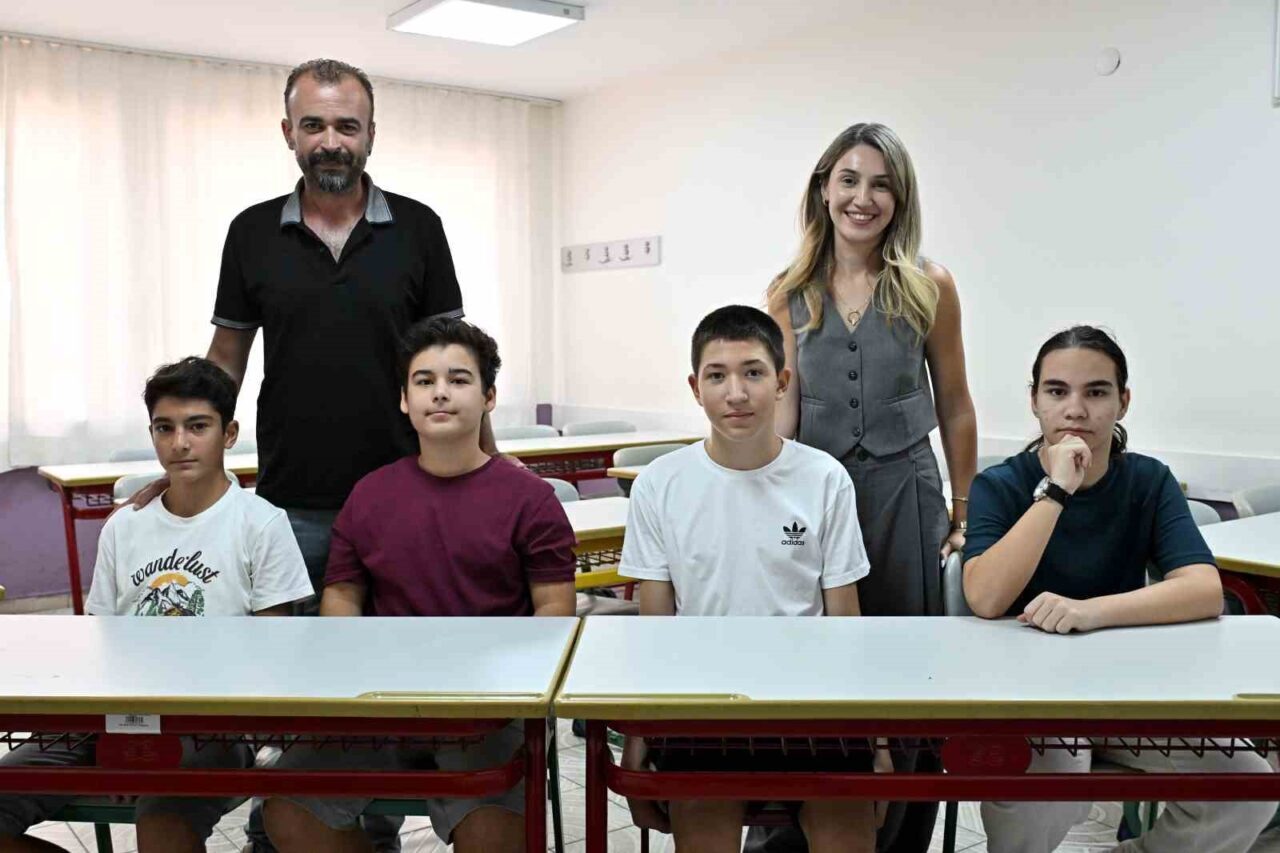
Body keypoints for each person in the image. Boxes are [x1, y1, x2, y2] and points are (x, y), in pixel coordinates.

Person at [261, 317, 575, 853]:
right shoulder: (370, 495)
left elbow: (554, 612)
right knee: (288, 811)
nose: (441, 393)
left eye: (459, 379)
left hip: (489, 711)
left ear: (489, 397)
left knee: (493, 835)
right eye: (424, 381)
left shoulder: (531, 499)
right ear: (405, 400)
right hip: (382, 704)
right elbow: (342, 595)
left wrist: (504, 689)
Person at [963, 325, 1274, 853]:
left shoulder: (1148, 481)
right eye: (1057, 391)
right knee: (1051, 789)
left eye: (1096, 392)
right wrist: (1056, 490)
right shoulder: (1000, 484)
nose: (1075, 410)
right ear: (1035, 401)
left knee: (1247, 786)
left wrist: (1089, 612)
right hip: (1030, 698)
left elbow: (1202, 589)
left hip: (1128, 693)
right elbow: (986, 598)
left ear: (1122, 402)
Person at [758, 122, 977, 852]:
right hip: (818, 502)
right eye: (849, 180)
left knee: (909, 670)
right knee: (824, 661)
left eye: (882, 184)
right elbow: (784, 413)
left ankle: (903, 836)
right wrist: (770, 504)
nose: (863, 197)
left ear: (900, 198)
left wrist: (963, 511)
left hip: (906, 493)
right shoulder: (788, 293)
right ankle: (811, 831)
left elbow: (956, 404)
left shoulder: (929, 285)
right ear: (824, 189)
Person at [0, 357, 312, 853]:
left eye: (197, 426)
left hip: (212, 728)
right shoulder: (125, 526)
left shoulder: (262, 524)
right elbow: (100, 647)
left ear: (229, 434)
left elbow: (269, 661)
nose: (180, 442)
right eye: (165, 428)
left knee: (163, 828)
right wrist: (123, 735)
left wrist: (149, 741)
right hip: (115, 718)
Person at [619, 305, 884, 853]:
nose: (735, 393)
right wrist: (640, 734)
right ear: (695, 388)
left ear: (783, 382)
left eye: (753, 373)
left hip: (813, 706)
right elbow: (655, 631)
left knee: (848, 837)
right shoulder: (659, 485)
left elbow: (847, 625)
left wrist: (876, 735)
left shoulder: (824, 478)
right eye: (717, 375)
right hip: (704, 708)